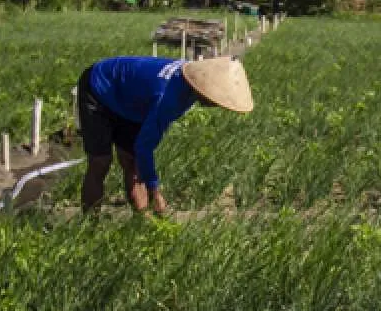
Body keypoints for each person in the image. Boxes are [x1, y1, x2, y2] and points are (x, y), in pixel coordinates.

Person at [77, 55, 254, 215]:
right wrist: (155, 192)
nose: (216, 104)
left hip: (131, 98)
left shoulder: (190, 80)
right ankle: (89, 228)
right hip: (99, 87)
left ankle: (143, 221)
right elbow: (144, 147)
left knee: (132, 163)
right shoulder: (168, 98)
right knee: (100, 162)